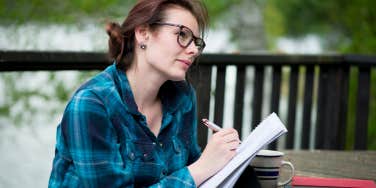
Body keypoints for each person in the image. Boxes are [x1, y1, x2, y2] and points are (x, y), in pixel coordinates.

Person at [49, 0, 240, 187]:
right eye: (182, 34)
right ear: (143, 33)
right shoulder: (92, 103)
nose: (193, 50)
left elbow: (195, 171)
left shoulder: (182, 97)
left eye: (197, 42)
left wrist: (226, 157)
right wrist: (200, 168)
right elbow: (195, 172)